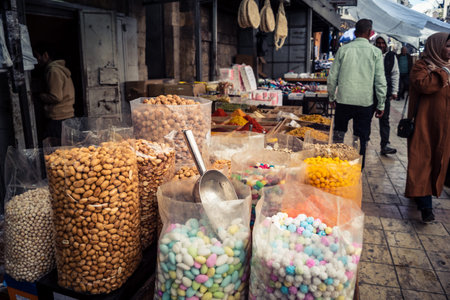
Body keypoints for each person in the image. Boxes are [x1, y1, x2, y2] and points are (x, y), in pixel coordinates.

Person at [327, 19, 387, 169]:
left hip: (343, 100)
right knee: (361, 138)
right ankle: (357, 169)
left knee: (339, 135)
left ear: (355, 33)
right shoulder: (375, 52)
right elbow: (380, 80)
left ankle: (336, 165)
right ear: (370, 33)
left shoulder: (344, 50)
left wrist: (331, 97)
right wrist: (381, 104)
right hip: (365, 103)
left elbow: (332, 76)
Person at [405, 32, 450, 223]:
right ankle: (426, 207)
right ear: (436, 46)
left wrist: (442, 71)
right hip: (424, 123)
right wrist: (443, 73)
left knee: (439, 161)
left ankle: (421, 194)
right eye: (447, 46)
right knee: (422, 160)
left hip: (445, 126)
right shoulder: (421, 65)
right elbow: (425, 85)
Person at [33, 44, 75, 142]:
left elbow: (56, 97)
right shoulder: (59, 69)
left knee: (55, 149)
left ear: (46, 55)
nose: (36, 60)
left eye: (37, 56)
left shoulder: (53, 71)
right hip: (66, 115)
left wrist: (39, 96)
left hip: (58, 117)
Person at [374, 34, 399, 156]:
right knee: (366, 118)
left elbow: (395, 74)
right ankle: (363, 141)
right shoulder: (372, 54)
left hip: (385, 93)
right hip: (370, 91)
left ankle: (385, 145)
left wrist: (394, 91)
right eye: (378, 43)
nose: (380, 45)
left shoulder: (391, 56)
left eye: (382, 43)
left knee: (384, 120)